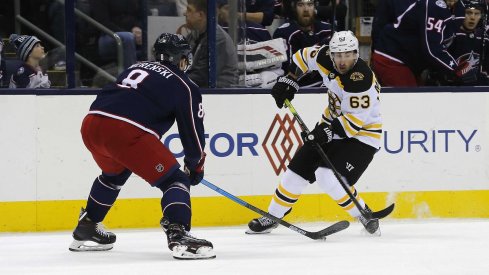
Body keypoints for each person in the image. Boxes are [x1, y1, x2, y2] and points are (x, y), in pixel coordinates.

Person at [69, 33, 215, 260]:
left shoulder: (136, 67)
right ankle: (178, 233)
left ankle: (87, 226)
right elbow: (192, 134)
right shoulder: (185, 85)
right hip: (124, 131)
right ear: (182, 58)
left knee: (113, 175)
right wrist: (195, 166)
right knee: (175, 180)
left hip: (92, 123)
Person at [246, 31, 382, 235]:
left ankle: (363, 213)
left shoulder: (361, 80)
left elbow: (352, 125)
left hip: (362, 136)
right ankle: (273, 216)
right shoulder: (324, 56)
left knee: (326, 176)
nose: (343, 61)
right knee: (296, 170)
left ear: (356, 54)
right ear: (331, 53)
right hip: (331, 124)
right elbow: (301, 57)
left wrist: (323, 132)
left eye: (348, 55)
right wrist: (290, 79)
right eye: (338, 55)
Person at [371, 0, 474, 86]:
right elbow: (431, 50)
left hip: (412, 63)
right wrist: (455, 69)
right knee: (411, 103)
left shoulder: (459, 7)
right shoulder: (433, 6)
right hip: (392, 59)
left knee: (420, 100)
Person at [273, 0, 332, 87]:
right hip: (299, 90)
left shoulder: (327, 30)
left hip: (328, 87)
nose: (306, 9)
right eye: (301, 5)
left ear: (315, 7)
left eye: (310, 4)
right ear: (294, 8)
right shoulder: (284, 33)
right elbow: (289, 73)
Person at [430, 0, 489, 85]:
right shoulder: (449, 35)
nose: (472, 17)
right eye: (468, 13)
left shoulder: (485, 38)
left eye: (476, 14)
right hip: (450, 88)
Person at [183, 0, 239, 87]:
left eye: (189, 10)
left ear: (200, 15)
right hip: (200, 92)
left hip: (221, 95)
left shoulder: (217, 39)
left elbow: (201, 77)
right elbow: (180, 64)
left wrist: (172, 80)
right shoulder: (192, 36)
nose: (185, 13)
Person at [88, 0, 142, 68]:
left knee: (150, 34)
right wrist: (131, 33)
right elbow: (103, 22)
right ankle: (130, 76)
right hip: (107, 36)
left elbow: (140, 16)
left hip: (132, 34)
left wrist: (137, 27)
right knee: (128, 37)